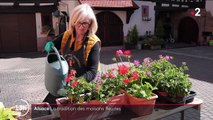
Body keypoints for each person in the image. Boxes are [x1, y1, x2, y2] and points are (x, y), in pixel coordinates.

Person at [43, 3, 101, 104]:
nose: (81, 27)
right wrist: (50, 45)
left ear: (90, 24)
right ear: (73, 22)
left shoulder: (93, 42)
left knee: (71, 109)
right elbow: (54, 46)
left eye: (85, 23)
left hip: (86, 84)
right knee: (46, 105)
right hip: (68, 80)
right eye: (78, 22)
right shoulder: (67, 35)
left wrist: (76, 82)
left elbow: (92, 72)